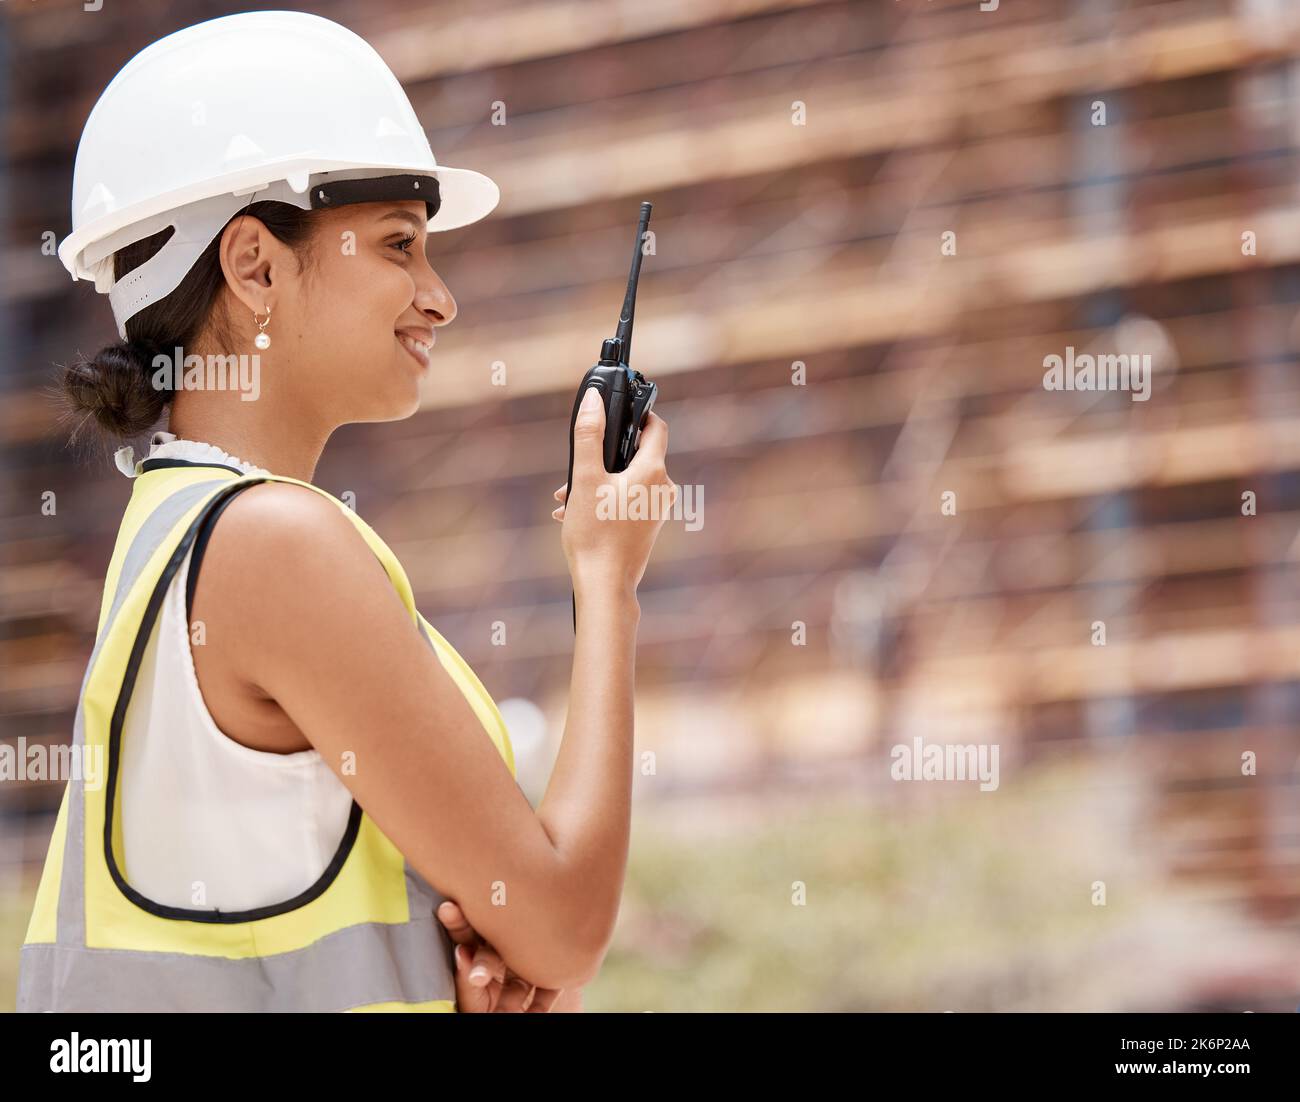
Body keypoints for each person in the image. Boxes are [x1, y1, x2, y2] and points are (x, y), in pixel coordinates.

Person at [17, 10, 674, 1014]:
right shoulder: (274, 545)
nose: (438, 296)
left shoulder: (178, 530)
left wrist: (449, 957)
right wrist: (607, 583)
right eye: (400, 246)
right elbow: (565, 924)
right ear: (254, 267)